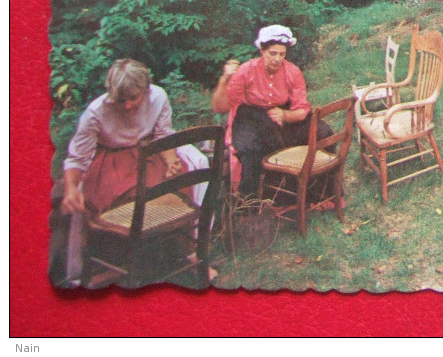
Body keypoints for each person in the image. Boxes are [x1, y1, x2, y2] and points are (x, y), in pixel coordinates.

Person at [51, 59, 209, 286]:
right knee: (121, 197)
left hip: (148, 152)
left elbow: (163, 134)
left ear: (146, 90)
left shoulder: (158, 97)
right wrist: (70, 189)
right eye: (120, 100)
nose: (126, 106)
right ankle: (117, 260)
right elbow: (77, 157)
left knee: (175, 183)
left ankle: (174, 253)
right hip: (112, 158)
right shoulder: (95, 113)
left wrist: (171, 159)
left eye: (133, 98)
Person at [212, 24, 331, 196]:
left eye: (282, 54)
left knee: (322, 132)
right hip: (251, 115)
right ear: (262, 51)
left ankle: (315, 192)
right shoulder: (246, 70)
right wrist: (225, 78)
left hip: (281, 112)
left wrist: (285, 115)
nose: (277, 59)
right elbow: (219, 107)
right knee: (251, 149)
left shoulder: (293, 72)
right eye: (272, 53)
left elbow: (301, 109)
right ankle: (253, 201)